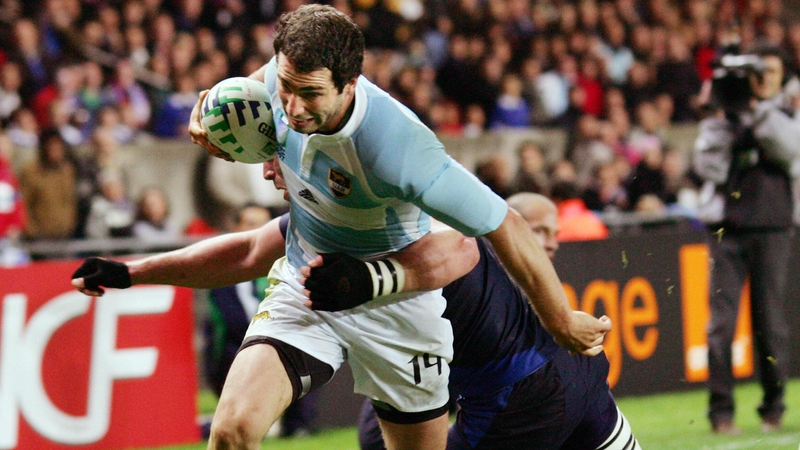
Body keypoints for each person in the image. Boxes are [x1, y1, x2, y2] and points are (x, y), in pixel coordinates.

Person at [196, 5, 607, 450]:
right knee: (231, 432)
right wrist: (205, 114)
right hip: (306, 282)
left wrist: (561, 320)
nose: (291, 108)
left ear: (349, 85)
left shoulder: (398, 148)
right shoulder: (289, 75)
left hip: (395, 308)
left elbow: (504, 223)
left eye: (310, 94)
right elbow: (238, 93)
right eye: (285, 88)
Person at [327, 192, 639, 449]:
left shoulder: (468, 252)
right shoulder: (463, 243)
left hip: (531, 395)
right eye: (541, 231)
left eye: (554, 233)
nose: (553, 243)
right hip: (560, 386)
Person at [693, 40, 800, 435]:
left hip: (772, 229)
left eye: (769, 73)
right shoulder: (725, 113)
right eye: (756, 74)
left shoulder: (788, 113)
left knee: (770, 325)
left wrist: (757, 114)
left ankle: (774, 405)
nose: (762, 81)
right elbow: (708, 167)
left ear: (780, 77)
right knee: (720, 325)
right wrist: (723, 116)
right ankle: (721, 414)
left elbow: (791, 150)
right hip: (726, 230)